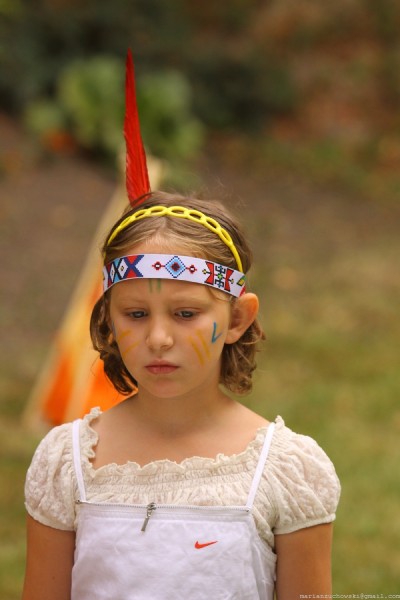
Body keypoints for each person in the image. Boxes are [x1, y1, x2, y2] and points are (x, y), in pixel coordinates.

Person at [22, 190, 340, 600]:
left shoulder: (285, 471)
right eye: (136, 314)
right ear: (108, 319)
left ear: (237, 319)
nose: (158, 338)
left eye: (185, 314)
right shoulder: (67, 464)